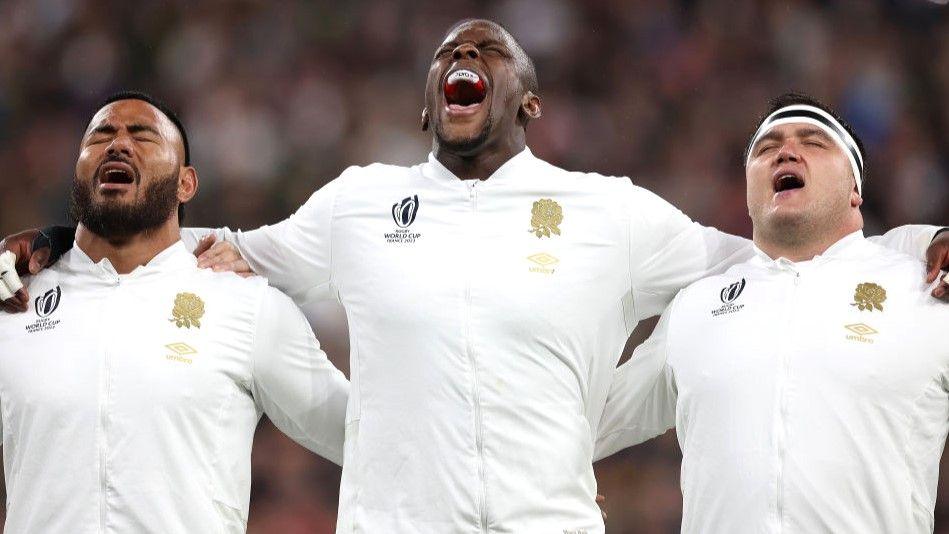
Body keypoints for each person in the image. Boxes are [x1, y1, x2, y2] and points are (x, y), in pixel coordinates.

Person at [1, 21, 947, 533]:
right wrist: (56, 242)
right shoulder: (357, 202)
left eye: (489, 50)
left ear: (527, 100)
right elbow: (204, 246)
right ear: (425, 109)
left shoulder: (610, 209)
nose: (464, 57)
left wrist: (908, 251)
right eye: (448, 54)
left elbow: (776, 262)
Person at [595, 93, 949, 533]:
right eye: (765, 149)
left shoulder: (926, 289)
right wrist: (557, 479)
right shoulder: (697, 305)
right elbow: (591, 424)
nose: (785, 150)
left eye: (814, 142)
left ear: (855, 187)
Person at [0, 93, 349, 533]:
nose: (118, 144)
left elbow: (358, 436)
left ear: (186, 183)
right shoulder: (14, 300)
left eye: (142, 136)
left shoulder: (244, 306)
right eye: (100, 135)